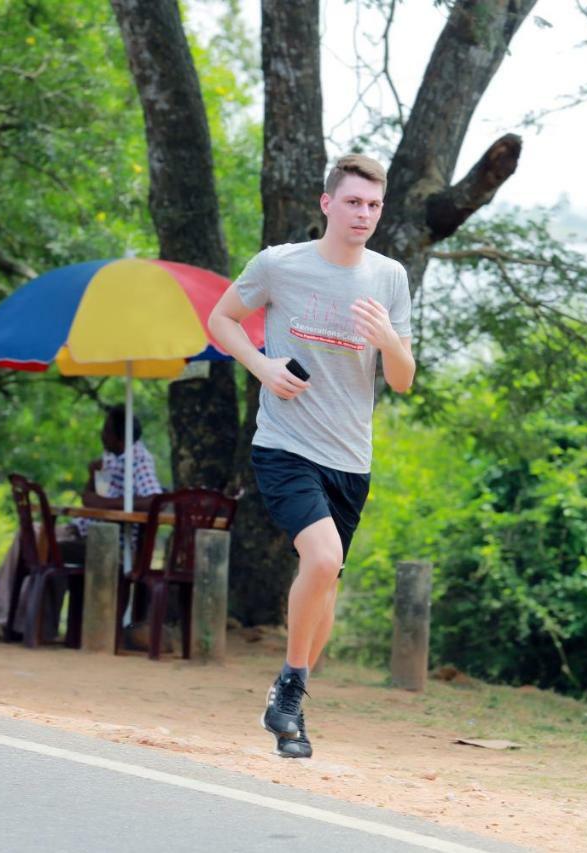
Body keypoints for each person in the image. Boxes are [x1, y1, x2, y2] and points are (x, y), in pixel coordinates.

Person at [208, 154, 415, 758]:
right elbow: (224, 319)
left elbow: (401, 379)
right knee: (321, 558)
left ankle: (287, 699)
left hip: (351, 456)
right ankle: (292, 691)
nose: (364, 214)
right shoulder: (280, 264)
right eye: (353, 202)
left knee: (327, 582)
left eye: (374, 205)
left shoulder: (389, 278)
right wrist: (263, 366)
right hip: (285, 444)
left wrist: (388, 342)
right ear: (328, 204)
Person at [0, 405, 163, 641]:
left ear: (119, 439)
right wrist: (91, 478)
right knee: (29, 535)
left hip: (109, 543)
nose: (101, 435)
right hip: (82, 530)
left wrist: (107, 503)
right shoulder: (111, 458)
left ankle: (16, 624)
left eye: (106, 430)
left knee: (44, 546)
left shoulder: (139, 460)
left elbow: (154, 500)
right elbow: (89, 499)